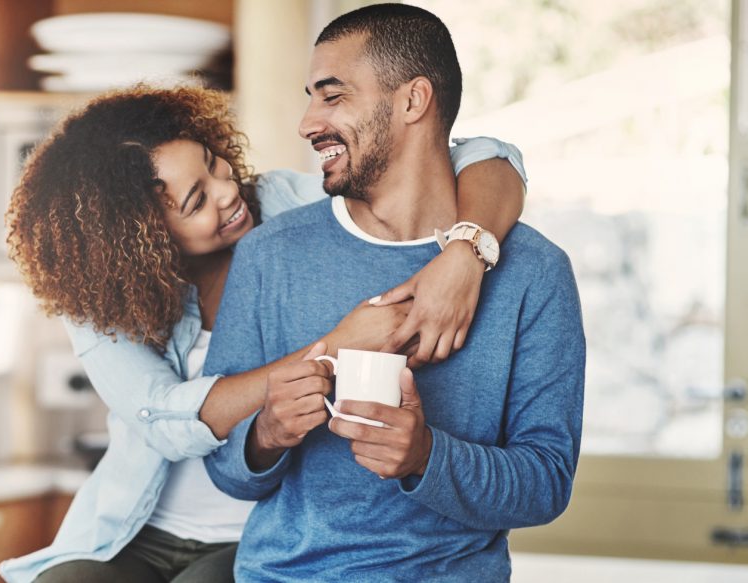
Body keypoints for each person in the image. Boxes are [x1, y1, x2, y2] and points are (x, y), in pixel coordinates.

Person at [0, 83, 528, 583]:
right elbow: (163, 416)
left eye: (213, 165)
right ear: (141, 241)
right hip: (133, 531)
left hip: (259, 532)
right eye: (195, 202)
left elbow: (489, 155)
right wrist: (334, 348)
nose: (228, 192)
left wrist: (466, 251)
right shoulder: (101, 299)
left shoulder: (283, 206)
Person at [202, 5, 586, 581]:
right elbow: (226, 469)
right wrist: (266, 434)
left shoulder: (535, 272)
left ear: (413, 100)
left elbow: (546, 484)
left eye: (332, 97)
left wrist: (426, 456)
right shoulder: (270, 254)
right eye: (310, 97)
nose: (307, 123)